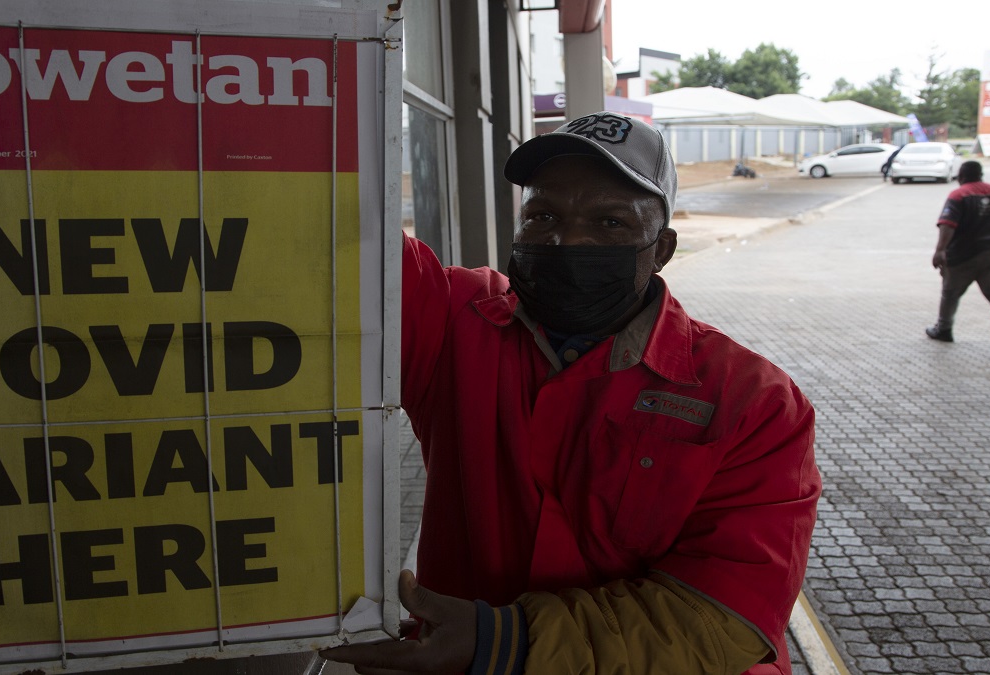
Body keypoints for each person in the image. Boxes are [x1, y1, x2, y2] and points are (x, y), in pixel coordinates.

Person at [322, 113, 821, 675]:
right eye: (543, 215)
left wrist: (504, 641)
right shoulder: (456, 321)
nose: (568, 240)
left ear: (662, 249)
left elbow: (722, 618)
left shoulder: (753, 402)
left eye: (609, 223)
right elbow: (345, 239)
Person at [925, 160, 990, 353]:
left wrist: (940, 250)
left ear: (961, 176)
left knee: (951, 292)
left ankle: (944, 328)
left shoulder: (959, 195)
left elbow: (947, 224)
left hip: (965, 254)